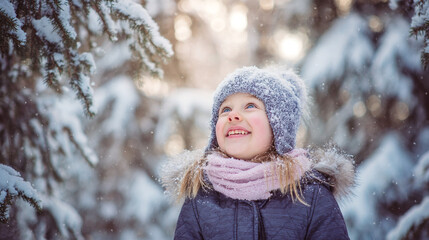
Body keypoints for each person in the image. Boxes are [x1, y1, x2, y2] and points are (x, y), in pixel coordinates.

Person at [161, 66, 355, 240]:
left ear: (278, 126)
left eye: (250, 106)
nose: (233, 115)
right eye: (225, 109)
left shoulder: (311, 196)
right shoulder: (201, 197)